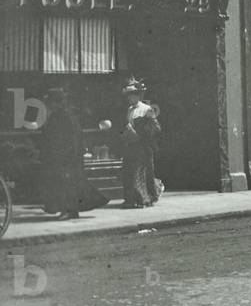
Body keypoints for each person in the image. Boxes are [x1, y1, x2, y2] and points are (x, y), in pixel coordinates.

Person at [40, 89, 108, 220]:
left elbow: (73, 139)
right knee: (65, 184)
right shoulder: (58, 115)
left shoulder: (65, 116)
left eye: (51, 102)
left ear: (57, 103)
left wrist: (66, 157)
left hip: (67, 158)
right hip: (61, 157)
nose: (50, 105)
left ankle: (70, 211)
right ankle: (65, 210)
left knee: (69, 185)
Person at [119, 79, 162, 208]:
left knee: (142, 172)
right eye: (128, 96)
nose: (129, 98)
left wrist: (139, 132)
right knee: (129, 171)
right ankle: (131, 198)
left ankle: (144, 198)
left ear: (137, 96)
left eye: (131, 96)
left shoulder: (147, 109)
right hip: (132, 144)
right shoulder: (129, 110)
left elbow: (156, 128)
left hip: (143, 145)